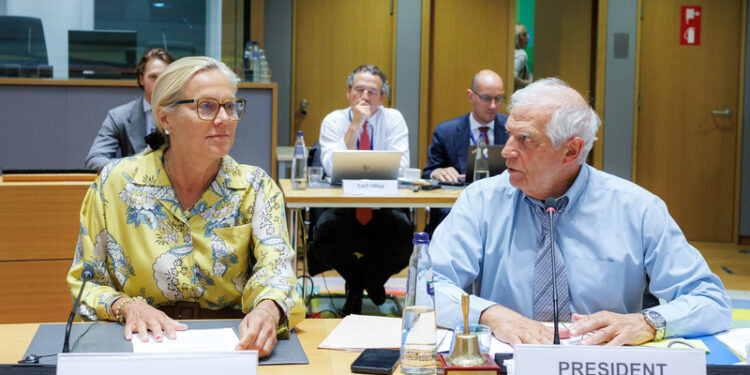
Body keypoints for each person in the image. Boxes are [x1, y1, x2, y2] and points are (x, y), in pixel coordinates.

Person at [429, 78, 731, 346]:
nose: (506, 150)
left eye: (525, 139)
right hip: (512, 359)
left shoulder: (637, 209)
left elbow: (710, 300)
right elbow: (428, 288)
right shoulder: (481, 201)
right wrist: (492, 314)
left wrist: (648, 322)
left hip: (603, 363)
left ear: (571, 151)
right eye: (509, 135)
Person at [67, 56, 305, 357]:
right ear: (165, 119)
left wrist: (267, 311)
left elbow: (277, 271)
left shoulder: (255, 188)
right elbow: (85, 282)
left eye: (230, 106)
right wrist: (126, 306)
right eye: (206, 106)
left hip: (233, 344)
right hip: (139, 342)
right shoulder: (115, 184)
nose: (224, 119)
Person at [314, 65, 412, 316]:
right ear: (348, 92)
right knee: (324, 239)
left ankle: (362, 284)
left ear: (382, 97)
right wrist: (356, 124)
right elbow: (331, 165)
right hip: (343, 207)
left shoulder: (393, 119)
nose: (365, 97)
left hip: (382, 207)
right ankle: (366, 284)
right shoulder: (334, 120)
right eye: (359, 90)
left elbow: (401, 166)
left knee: (403, 240)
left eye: (373, 91)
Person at [421, 69, 509, 235]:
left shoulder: (511, 130)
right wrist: (438, 172)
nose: (493, 105)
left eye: (498, 99)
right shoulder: (446, 131)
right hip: (456, 206)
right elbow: (428, 173)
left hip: (502, 205)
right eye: (486, 98)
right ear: (471, 96)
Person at [85, 48, 175, 172]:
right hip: (134, 187)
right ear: (141, 78)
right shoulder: (119, 116)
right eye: (153, 77)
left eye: (165, 77)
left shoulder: (186, 114)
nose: (159, 83)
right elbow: (95, 160)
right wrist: (138, 167)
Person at [514, 24, 533, 89]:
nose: (528, 37)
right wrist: (530, 83)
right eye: (524, 35)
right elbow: (512, 77)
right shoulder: (521, 54)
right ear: (517, 37)